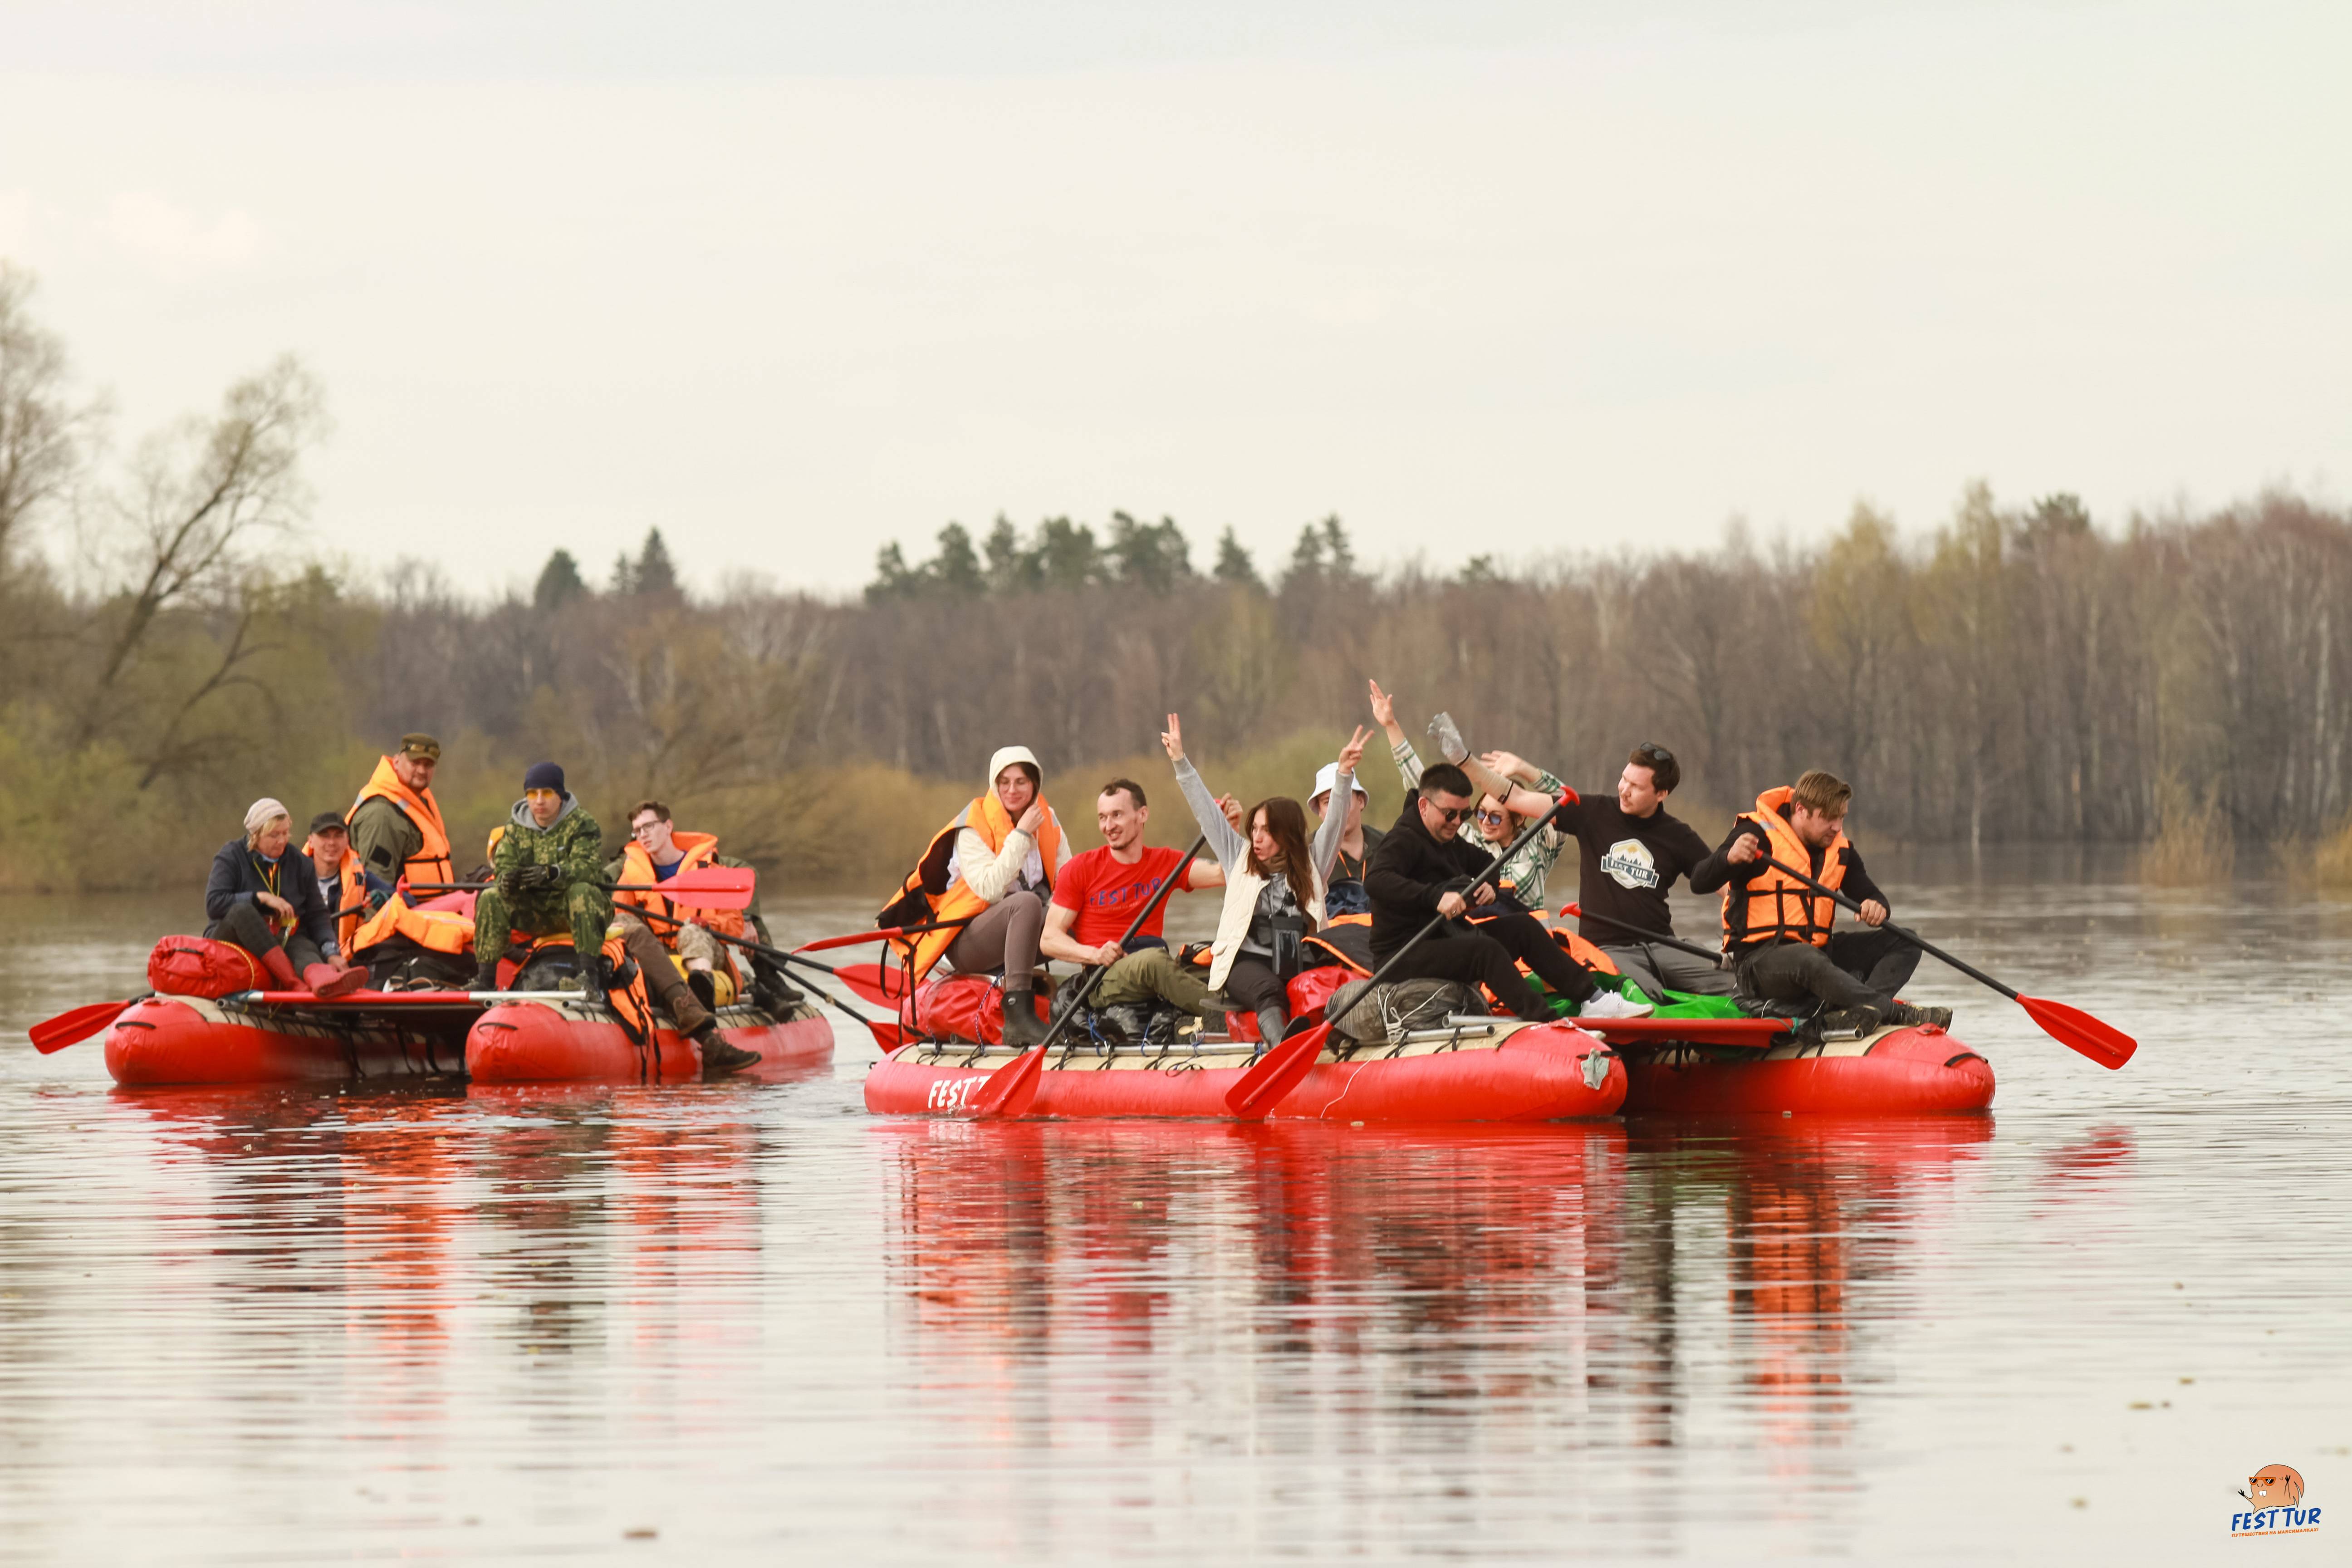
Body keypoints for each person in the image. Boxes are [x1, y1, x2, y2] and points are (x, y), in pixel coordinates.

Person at [470, 762, 757, 1073]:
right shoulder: (518, 835)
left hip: (582, 917)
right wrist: (508, 880)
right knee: (493, 896)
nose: (538, 801)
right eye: (532, 794)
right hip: (539, 927)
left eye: (546, 793)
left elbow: (589, 874)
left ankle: (694, 1020)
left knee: (625, 921)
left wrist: (552, 873)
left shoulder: (585, 828)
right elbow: (505, 873)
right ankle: (484, 982)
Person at [1363, 763, 1654, 1022]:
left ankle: (1594, 1000)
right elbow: (1376, 881)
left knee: (1523, 927)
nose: (1457, 822)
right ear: (1424, 806)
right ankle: (1548, 1022)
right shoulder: (1403, 840)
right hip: (1401, 955)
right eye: (1449, 814)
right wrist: (1434, 897)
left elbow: (1487, 862)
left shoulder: (1446, 837)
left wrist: (1489, 884)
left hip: (1445, 938)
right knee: (1486, 951)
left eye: (1464, 814)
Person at [1688, 769, 1949, 1033]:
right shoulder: (1756, 834)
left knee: (1906, 940)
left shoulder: (1840, 849)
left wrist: (1876, 906)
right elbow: (1699, 881)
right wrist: (1728, 859)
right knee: (1807, 958)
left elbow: (1870, 894)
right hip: (1759, 964)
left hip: (1819, 956)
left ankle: (1861, 1012)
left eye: (1842, 818)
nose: (1837, 827)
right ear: (1801, 810)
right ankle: (1891, 1011)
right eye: (1829, 818)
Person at [1163, 713, 1365, 1045]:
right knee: (1270, 990)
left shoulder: (1313, 862)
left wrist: (1343, 776)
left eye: (1267, 831)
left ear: (1286, 835)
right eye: (1254, 829)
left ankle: (1327, 1042)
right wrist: (1180, 762)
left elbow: (1335, 822)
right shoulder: (1238, 857)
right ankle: (1281, 1049)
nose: (1257, 838)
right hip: (1246, 962)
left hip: (1297, 957)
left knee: (1324, 987)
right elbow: (1206, 813)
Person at [1480, 742, 1732, 999]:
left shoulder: (1679, 835)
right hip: (1606, 950)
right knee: (1648, 996)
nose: (1625, 790)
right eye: (1624, 780)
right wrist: (1474, 764)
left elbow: (1725, 886)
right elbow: (1517, 799)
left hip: (1664, 944)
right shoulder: (1593, 812)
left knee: (1735, 985)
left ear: (1661, 794)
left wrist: (1734, 940)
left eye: (1637, 787)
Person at [879, 746, 1073, 1048]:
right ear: (994, 784)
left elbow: (1068, 881)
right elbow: (991, 889)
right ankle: (1018, 1017)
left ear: (1035, 783)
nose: (1012, 790)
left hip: (1022, 933)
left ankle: (1097, 1000)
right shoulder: (971, 826)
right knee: (1026, 903)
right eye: (1004, 782)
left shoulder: (1048, 819)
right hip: (968, 944)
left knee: (1079, 910)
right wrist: (1021, 835)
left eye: (1021, 781)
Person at [1038, 778, 1229, 1024]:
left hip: (1152, 962)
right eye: (1102, 817)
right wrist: (1095, 954)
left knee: (1220, 957)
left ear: (1142, 815)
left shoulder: (1167, 861)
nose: (1109, 826)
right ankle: (1229, 1019)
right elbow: (1049, 940)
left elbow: (1223, 874)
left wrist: (1226, 829)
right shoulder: (1080, 869)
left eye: (1117, 815)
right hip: (1104, 977)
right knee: (1154, 961)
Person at [606, 800, 799, 1016]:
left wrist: (708, 924)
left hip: (706, 949)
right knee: (622, 923)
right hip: (658, 955)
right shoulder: (630, 874)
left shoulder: (709, 868)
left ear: (668, 826)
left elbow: (734, 924)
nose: (643, 835)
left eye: (649, 827)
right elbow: (620, 920)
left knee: (692, 930)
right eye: (637, 831)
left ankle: (703, 985)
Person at [205, 799, 368, 997]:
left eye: (285, 833)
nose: (282, 841)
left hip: (281, 936)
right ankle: (293, 983)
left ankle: (324, 980)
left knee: (303, 943)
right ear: (256, 835)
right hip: (233, 936)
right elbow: (214, 904)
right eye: (274, 835)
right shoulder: (231, 856)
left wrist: (331, 952)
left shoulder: (301, 863)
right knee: (243, 910)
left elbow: (317, 915)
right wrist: (260, 898)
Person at [346, 733, 455, 889]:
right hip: (397, 911)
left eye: (428, 765)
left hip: (426, 910)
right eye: (415, 763)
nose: (422, 770)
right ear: (396, 762)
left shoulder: (417, 802)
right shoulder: (382, 815)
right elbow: (376, 888)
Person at [302, 811, 393, 961]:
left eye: (338, 836)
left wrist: (385, 899)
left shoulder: (360, 877)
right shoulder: (292, 874)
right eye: (325, 836)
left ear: (347, 841)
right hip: (305, 955)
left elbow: (407, 900)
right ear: (311, 841)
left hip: (346, 957)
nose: (332, 843)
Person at [1309, 760, 1380, 916]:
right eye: (1329, 802)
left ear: (1361, 801)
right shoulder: (1307, 851)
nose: (1339, 809)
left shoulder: (1388, 845)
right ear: (1319, 811)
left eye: (1345, 799)